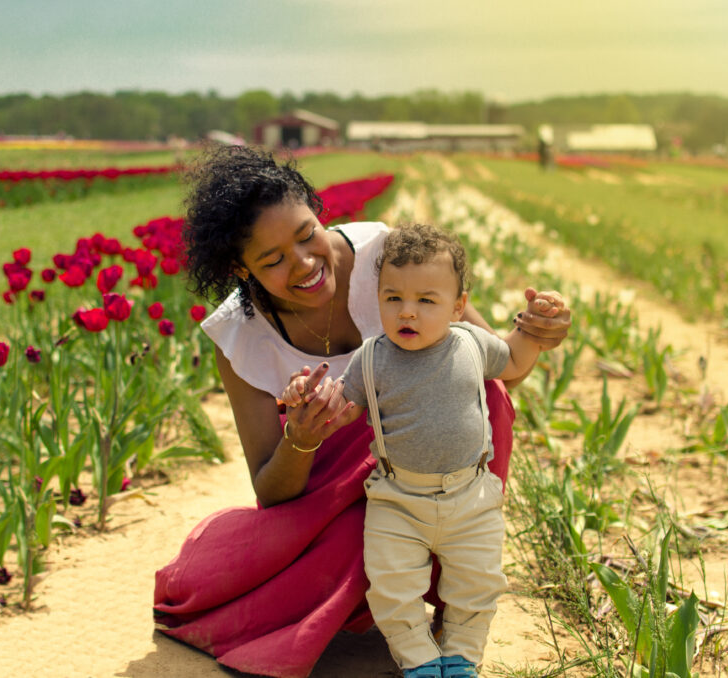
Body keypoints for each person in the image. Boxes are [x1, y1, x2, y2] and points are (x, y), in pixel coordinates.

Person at [153, 146, 571, 678]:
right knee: (353, 546)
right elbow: (271, 490)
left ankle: (453, 595)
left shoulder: (383, 255)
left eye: (307, 234)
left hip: (431, 474)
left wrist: (535, 331)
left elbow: (495, 366)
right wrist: (301, 437)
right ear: (242, 268)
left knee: (489, 400)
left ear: (317, 210)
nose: (303, 263)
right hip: (326, 494)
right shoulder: (239, 336)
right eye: (273, 260)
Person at [281, 224, 557, 678]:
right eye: (393, 298)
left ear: (458, 306)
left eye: (426, 301)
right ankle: (420, 661)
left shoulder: (470, 343)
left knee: (477, 584)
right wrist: (304, 396)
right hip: (398, 499)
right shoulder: (372, 358)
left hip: (471, 496)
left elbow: (515, 360)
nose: (407, 312)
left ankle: (462, 656)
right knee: (392, 587)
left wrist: (532, 324)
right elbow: (339, 407)